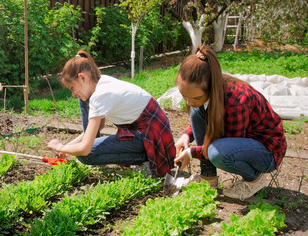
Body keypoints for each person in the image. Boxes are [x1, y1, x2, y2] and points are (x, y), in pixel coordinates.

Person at [174, 44, 286, 200]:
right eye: (184, 96)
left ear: (211, 88)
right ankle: (208, 178)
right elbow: (206, 118)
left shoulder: (236, 101)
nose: (189, 101)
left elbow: (226, 146)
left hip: (266, 151)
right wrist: (187, 135)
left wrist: (192, 153)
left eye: (196, 97)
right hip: (243, 143)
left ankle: (254, 179)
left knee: (217, 153)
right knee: (196, 110)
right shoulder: (210, 94)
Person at [47, 50, 176, 177]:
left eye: (72, 88)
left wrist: (60, 147)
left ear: (82, 77)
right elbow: (98, 127)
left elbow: (85, 149)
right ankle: (145, 156)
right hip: (149, 132)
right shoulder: (102, 82)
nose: (73, 94)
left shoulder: (100, 96)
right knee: (83, 102)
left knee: (85, 156)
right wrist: (68, 147)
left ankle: (148, 160)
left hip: (153, 138)